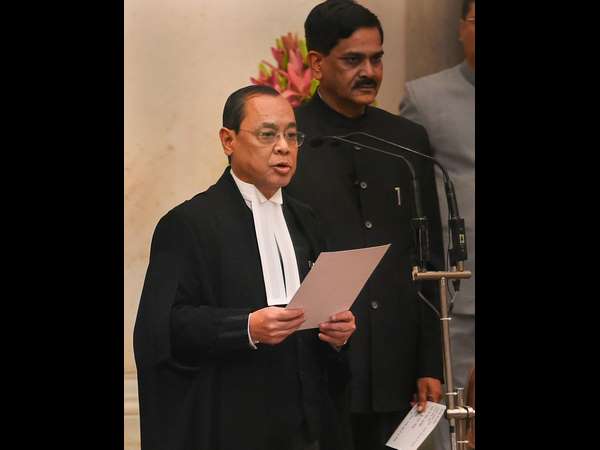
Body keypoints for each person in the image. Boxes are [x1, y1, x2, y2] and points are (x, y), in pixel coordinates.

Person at [133, 85, 357, 450]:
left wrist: (338, 334)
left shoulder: (307, 220)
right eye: (268, 135)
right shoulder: (188, 223)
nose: (283, 147)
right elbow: (164, 328)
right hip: (231, 420)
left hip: (308, 424)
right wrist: (246, 327)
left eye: (291, 135)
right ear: (228, 140)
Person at [285, 2, 444, 449]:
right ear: (317, 64)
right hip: (318, 365)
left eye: (377, 58)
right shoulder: (290, 139)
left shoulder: (407, 140)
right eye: (353, 60)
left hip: (397, 366)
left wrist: (430, 363)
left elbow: (428, 259)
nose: (370, 72)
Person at [399, 1, 475, 448]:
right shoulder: (424, 97)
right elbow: (412, 199)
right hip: (459, 285)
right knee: (455, 415)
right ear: (461, 27)